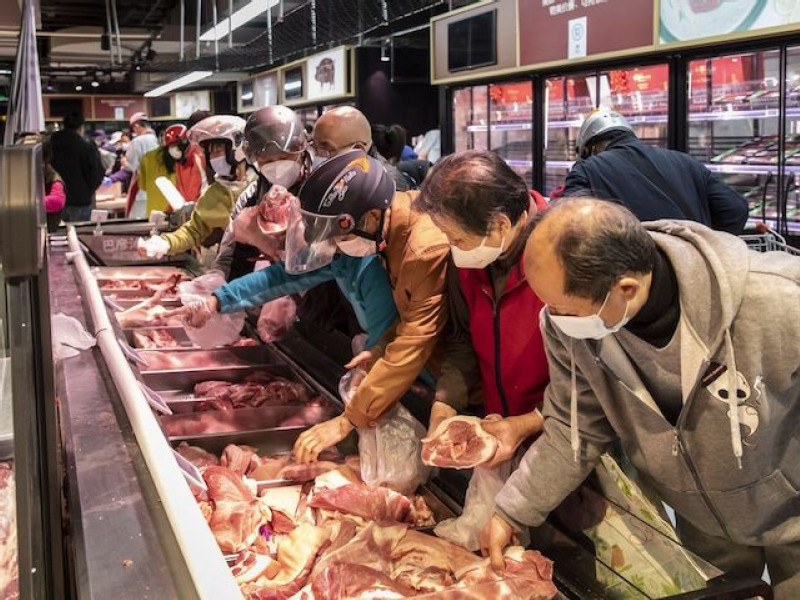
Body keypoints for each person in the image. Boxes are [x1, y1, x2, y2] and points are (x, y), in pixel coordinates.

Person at [483, 197, 800, 599]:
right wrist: (513, 508)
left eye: (563, 308)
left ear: (626, 289)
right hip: (701, 526)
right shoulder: (569, 327)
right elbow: (572, 428)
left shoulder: (780, 299)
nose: (552, 318)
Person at [177, 150, 400, 376]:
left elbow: (385, 341)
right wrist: (217, 301)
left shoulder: (369, 265)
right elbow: (279, 277)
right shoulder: (340, 253)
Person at [413, 150, 550, 465]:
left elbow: (591, 381)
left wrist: (531, 421)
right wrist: (445, 404)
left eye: (457, 238)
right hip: (499, 431)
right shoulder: (471, 258)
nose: (452, 247)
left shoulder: (561, 254)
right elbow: (463, 338)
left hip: (566, 440)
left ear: (500, 224)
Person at [563, 108, 748, 234]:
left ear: (591, 148)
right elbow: (736, 209)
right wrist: (705, 242)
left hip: (636, 281)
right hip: (697, 276)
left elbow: (568, 226)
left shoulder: (587, 169)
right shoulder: (687, 161)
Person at [212, 105, 313, 282]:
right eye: (267, 161)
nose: (277, 166)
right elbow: (229, 254)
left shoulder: (320, 189)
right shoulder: (250, 199)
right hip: (263, 296)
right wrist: (218, 283)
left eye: (284, 158)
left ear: (300, 151)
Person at [137, 115, 250, 259]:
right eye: (209, 152)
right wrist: (165, 243)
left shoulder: (259, 185)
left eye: (218, 149)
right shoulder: (215, 192)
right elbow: (194, 230)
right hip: (228, 262)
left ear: (238, 149)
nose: (213, 157)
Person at [311, 107, 410, 192]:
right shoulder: (349, 175)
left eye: (325, 149)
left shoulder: (388, 189)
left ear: (357, 150)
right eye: (313, 146)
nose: (316, 156)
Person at [133, 124, 205, 218]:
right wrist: (166, 213)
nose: (173, 149)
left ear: (184, 143)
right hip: (187, 214)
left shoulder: (197, 158)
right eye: (170, 146)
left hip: (199, 213)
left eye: (175, 145)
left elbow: (195, 191)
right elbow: (179, 191)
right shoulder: (180, 163)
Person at [49, 113, 105, 222]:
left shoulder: (50, 144)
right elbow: (97, 172)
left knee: (55, 237)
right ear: (81, 128)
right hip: (81, 202)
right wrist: (88, 190)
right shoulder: (86, 145)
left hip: (55, 203)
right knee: (80, 236)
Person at [126, 112, 159, 218]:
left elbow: (132, 165)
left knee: (137, 223)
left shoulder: (137, 141)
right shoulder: (159, 140)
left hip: (141, 189)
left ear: (136, 126)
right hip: (158, 189)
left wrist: (124, 163)